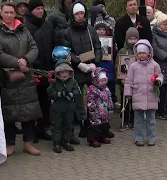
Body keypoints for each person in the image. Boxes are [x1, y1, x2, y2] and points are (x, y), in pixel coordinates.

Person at [0, 2, 41, 156]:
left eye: (11, 12)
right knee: (9, 113)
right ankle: (10, 144)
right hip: (8, 78)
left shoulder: (23, 29)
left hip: (26, 77)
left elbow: (34, 47)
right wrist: (16, 62)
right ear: (1, 14)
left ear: (15, 14)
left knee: (29, 111)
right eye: (5, 12)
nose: (8, 15)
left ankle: (28, 143)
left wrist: (26, 59)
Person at [61, 2, 102, 141]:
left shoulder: (91, 30)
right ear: (73, 15)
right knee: (77, 99)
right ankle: (79, 126)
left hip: (91, 69)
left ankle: (93, 127)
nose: (80, 16)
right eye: (77, 14)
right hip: (77, 70)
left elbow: (98, 46)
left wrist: (95, 63)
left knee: (94, 99)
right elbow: (67, 51)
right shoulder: (67, 32)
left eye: (82, 13)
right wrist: (79, 64)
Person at [24, 0, 57, 142]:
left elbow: (54, 43)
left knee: (45, 100)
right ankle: (31, 131)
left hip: (47, 68)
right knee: (32, 101)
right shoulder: (25, 26)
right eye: (37, 8)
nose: (40, 11)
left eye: (42, 8)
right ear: (31, 10)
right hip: (32, 69)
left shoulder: (48, 24)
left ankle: (42, 128)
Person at [124, 39, 163, 146]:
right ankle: (139, 137)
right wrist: (128, 93)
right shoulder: (133, 66)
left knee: (151, 119)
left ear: (149, 53)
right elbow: (128, 81)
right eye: (139, 53)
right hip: (138, 96)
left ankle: (151, 137)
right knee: (138, 119)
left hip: (151, 95)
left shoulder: (155, 65)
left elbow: (160, 75)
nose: (141, 55)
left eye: (144, 53)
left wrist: (158, 81)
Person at [47, 58, 81, 153]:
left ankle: (66, 141)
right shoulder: (54, 82)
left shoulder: (73, 82)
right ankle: (56, 142)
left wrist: (72, 94)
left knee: (68, 124)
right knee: (56, 125)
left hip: (69, 107)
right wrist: (58, 94)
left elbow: (77, 90)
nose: (65, 74)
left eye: (67, 72)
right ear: (58, 73)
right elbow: (49, 91)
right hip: (57, 107)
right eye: (62, 72)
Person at [117, 27, 139, 131]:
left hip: (136, 82)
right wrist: (120, 79)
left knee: (134, 102)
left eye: (135, 38)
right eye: (131, 39)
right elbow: (117, 65)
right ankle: (124, 121)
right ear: (127, 39)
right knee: (124, 102)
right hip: (124, 82)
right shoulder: (122, 50)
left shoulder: (140, 51)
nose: (133, 41)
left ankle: (133, 121)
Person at [87, 67, 113, 147]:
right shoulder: (92, 89)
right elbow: (90, 99)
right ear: (96, 80)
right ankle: (93, 139)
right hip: (96, 112)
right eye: (101, 81)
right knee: (95, 126)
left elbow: (109, 98)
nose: (103, 82)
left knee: (105, 125)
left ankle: (103, 136)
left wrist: (110, 106)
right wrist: (92, 108)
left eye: (105, 80)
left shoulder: (106, 89)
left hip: (105, 111)